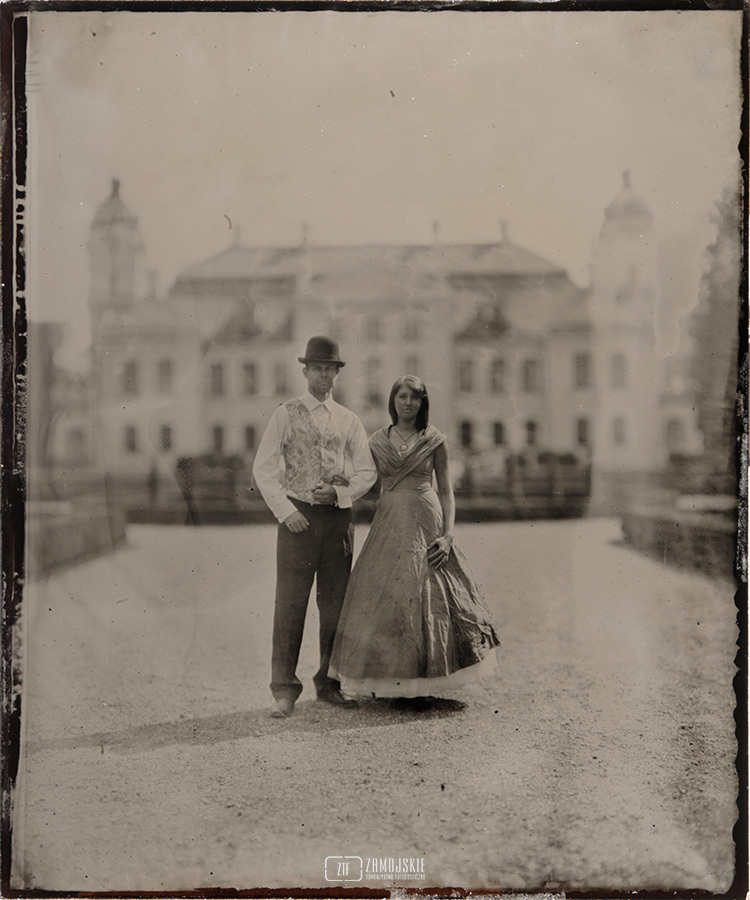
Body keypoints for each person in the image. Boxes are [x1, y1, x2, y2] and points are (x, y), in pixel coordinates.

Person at [329, 375, 499, 701]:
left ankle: (427, 682)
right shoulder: (376, 441)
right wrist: (341, 481)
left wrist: (448, 535)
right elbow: (365, 482)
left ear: (422, 403)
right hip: (390, 520)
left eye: (414, 397)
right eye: (402, 396)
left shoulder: (435, 439)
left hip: (426, 518)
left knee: (429, 592)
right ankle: (391, 680)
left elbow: (446, 491)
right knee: (386, 590)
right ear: (393, 400)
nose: (408, 403)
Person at [253, 336, 377, 718]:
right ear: (305, 371)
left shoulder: (348, 419)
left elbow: (367, 471)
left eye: (330, 369)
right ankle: (284, 690)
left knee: (335, 604)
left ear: (337, 374)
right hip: (298, 521)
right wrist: (285, 511)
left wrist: (340, 493)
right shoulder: (286, 413)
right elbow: (264, 468)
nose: (324, 375)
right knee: (290, 605)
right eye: (318, 368)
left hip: (337, 521)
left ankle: (329, 683)